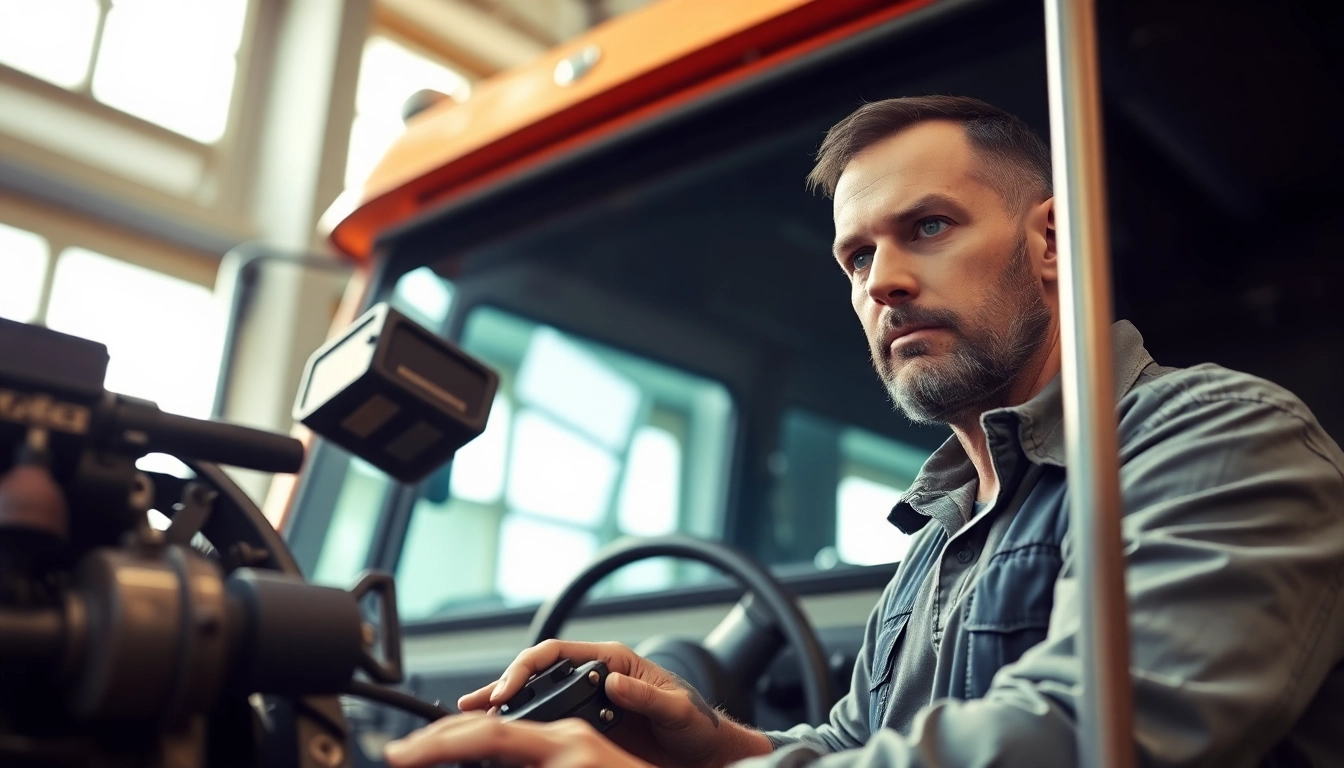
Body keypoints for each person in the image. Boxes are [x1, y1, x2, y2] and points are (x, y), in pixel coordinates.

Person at [381, 96, 1344, 768]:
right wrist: (709, 743)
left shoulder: (1222, 437)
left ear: (1053, 242)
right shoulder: (939, 536)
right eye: (856, 256)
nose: (879, 281)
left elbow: (1090, 735)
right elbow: (854, 748)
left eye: (926, 227)